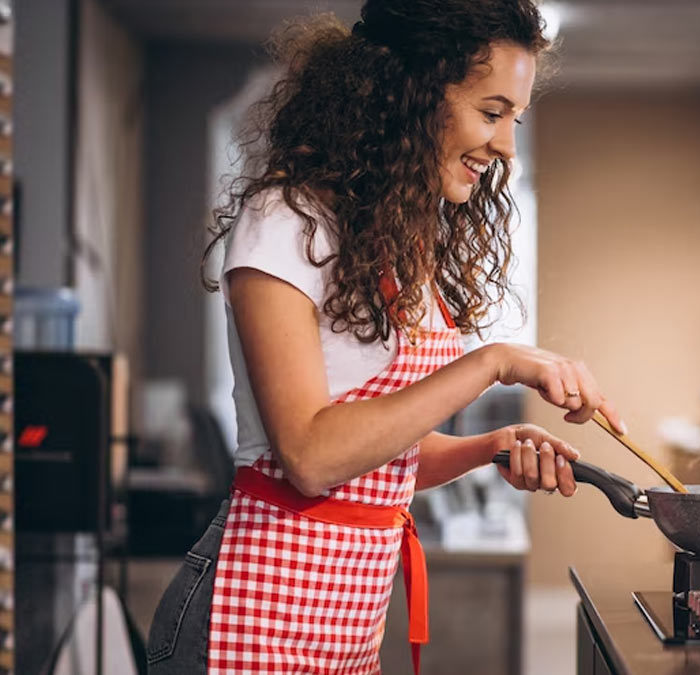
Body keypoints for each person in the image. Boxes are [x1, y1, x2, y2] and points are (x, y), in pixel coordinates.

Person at [146, 1, 623, 673]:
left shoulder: (395, 241)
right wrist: (493, 362)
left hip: (343, 629)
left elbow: (378, 454)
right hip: (246, 621)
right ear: (412, 94)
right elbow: (311, 455)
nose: (507, 145)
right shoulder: (287, 221)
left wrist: (489, 448)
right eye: (491, 112)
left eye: (514, 118)